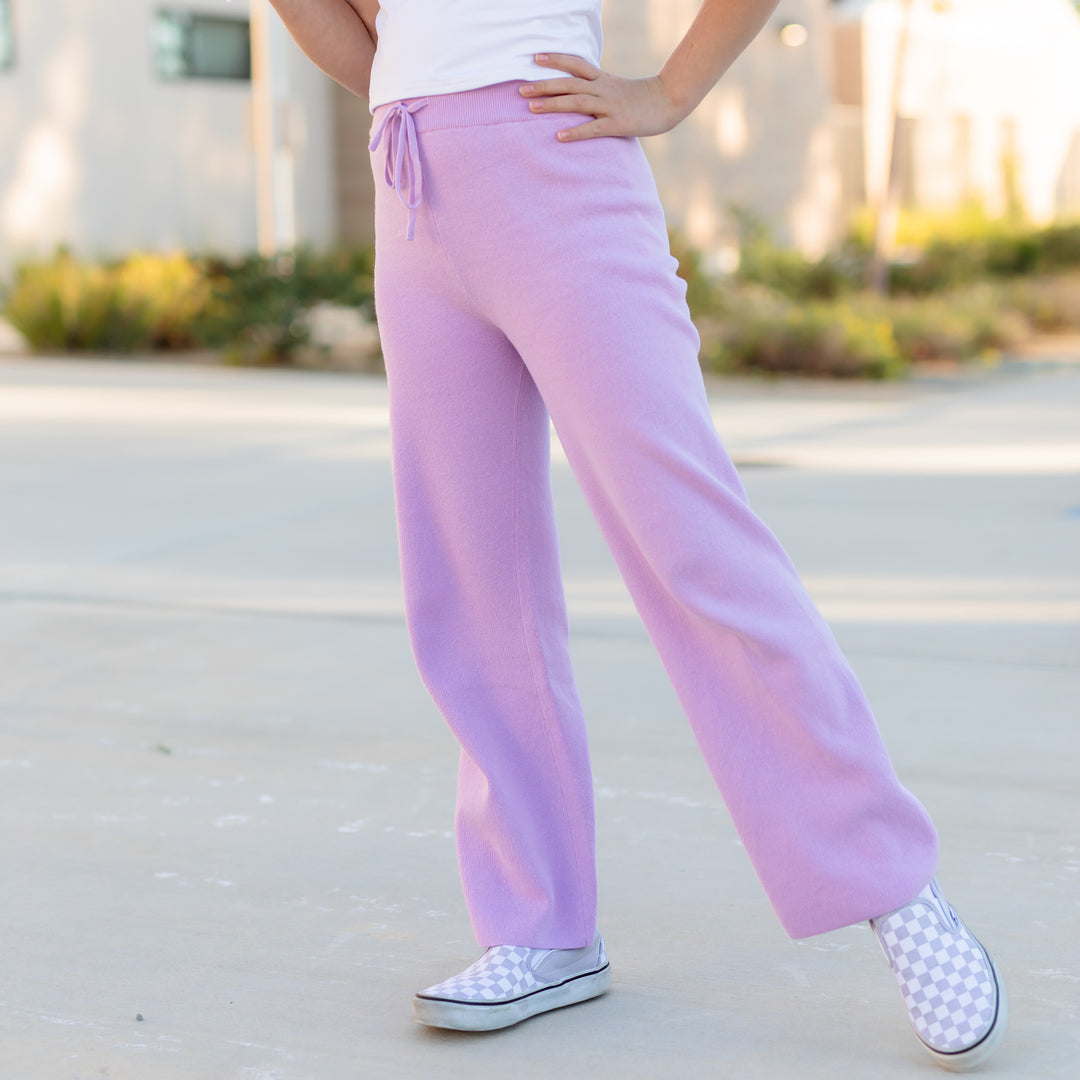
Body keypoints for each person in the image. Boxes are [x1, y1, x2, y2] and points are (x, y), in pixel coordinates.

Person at [267, 0, 1007, 1069]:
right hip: (413, 180)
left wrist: (667, 92)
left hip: (556, 159)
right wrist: (420, 86)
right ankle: (541, 923)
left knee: (694, 543)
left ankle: (890, 883)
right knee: (472, 583)